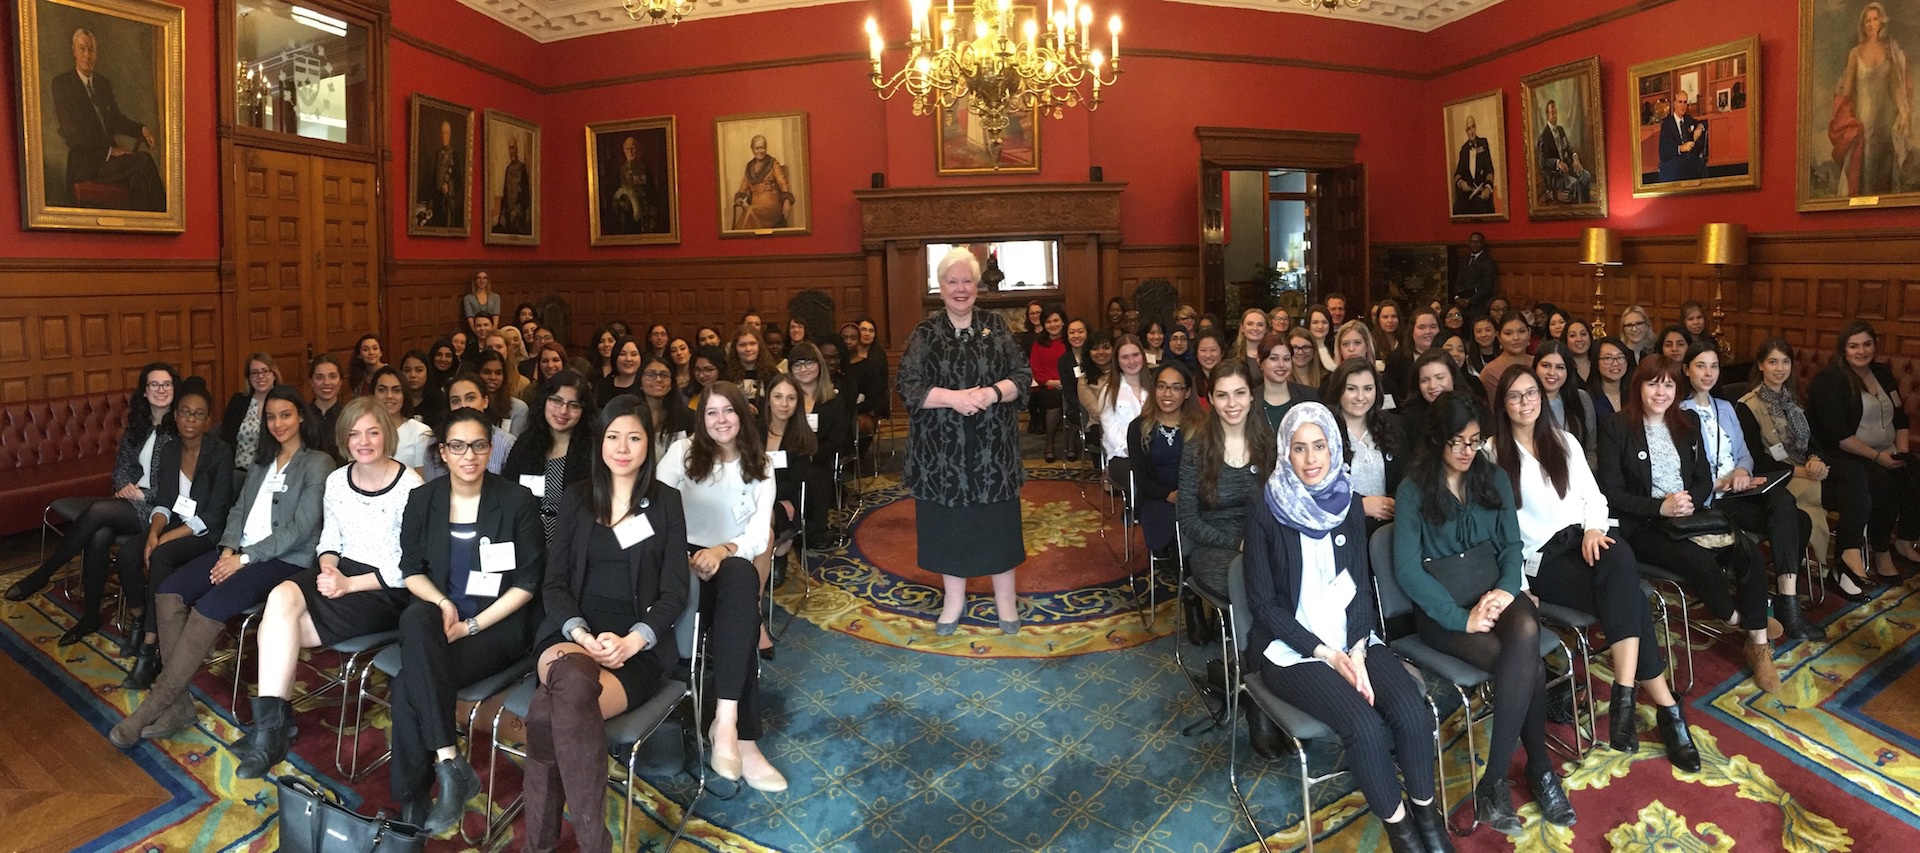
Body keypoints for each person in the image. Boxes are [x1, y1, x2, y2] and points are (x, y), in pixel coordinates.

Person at [1248, 403, 1449, 853]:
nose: (1311, 458)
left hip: (1353, 638)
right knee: (1365, 727)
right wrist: (1327, 654)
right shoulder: (1265, 506)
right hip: (1293, 650)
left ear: (1333, 447)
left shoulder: (1347, 500)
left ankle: (1426, 818)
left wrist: (1356, 649)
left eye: (1319, 446)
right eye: (1299, 449)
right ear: (1285, 452)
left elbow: (1360, 585)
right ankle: (1402, 833)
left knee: (1412, 712)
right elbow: (1264, 606)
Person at [1487, 368, 1698, 772]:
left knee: (1617, 554)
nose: (1525, 402)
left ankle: (1624, 693)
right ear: (1503, 405)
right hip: (1542, 561)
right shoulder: (1492, 454)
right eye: (1514, 397)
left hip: (1584, 542)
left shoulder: (1563, 441)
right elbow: (1497, 531)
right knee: (1631, 599)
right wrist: (1515, 584)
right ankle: (1665, 709)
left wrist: (1594, 529)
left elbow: (1594, 498)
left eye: (1531, 393)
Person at [109, 386, 332, 750]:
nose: (278, 423)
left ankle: (153, 706)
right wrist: (228, 548)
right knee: (168, 591)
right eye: (271, 416)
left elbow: (300, 529)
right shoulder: (262, 461)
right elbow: (238, 511)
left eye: (286, 415)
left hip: (281, 561)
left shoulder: (317, 463)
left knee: (208, 607)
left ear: (301, 417)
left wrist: (242, 559)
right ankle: (179, 706)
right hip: (237, 552)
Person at [1392, 391, 1571, 834]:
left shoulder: (1489, 475)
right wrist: (1460, 618)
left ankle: (1492, 780)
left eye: (1474, 441)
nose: (1466, 452)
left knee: (1526, 627)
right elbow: (1407, 570)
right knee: (1525, 668)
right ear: (1436, 439)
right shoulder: (1414, 487)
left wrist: (1506, 591)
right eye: (1457, 442)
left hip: (1491, 589)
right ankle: (1539, 769)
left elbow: (1512, 545)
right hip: (1442, 609)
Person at [522, 395, 692, 851]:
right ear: (599, 442)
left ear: (648, 445)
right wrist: (579, 631)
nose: (622, 447)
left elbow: (675, 592)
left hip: (637, 650)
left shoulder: (666, 503)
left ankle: (540, 845)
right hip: (570, 637)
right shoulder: (576, 498)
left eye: (634, 437)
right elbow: (553, 583)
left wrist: (634, 641)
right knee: (573, 681)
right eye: (613, 436)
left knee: (546, 712)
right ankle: (596, 842)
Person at [232, 397, 424, 779]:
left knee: (278, 629)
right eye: (354, 434)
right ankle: (273, 728)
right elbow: (330, 537)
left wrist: (349, 583)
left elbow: (410, 566)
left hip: (384, 588)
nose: (364, 441)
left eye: (372, 432)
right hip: (340, 570)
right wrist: (328, 568)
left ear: (386, 434)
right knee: (280, 597)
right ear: (344, 439)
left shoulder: (411, 487)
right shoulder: (338, 480)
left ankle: (273, 729)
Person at [386, 409, 544, 833]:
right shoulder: (424, 499)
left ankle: (413, 802)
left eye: (477, 445)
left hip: (496, 627)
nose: (468, 455)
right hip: (440, 618)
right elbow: (410, 569)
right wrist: (443, 603)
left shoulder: (516, 501)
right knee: (419, 619)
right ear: (443, 452)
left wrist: (471, 626)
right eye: (457, 446)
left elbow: (527, 582)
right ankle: (449, 763)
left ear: (490, 450)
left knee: (408, 685)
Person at [1596, 357, 1781, 692]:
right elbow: (1611, 492)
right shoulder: (1616, 426)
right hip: (1643, 524)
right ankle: (1744, 623)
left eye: (1668, 384)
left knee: (1748, 552)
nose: (1661, 392)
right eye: (1653, 383)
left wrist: (1689, 501)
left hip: (1690, 516)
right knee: (1698, 561)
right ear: (1638, 386)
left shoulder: (1688, 421)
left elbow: (1702, 478)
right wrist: (1661, 506)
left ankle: (1758, 644)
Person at [656, 383, 786, 790]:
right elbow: (657, 509)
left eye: (728, 411)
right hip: (680, 558)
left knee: (742, 581)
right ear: (701, 419)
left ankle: (725, 721)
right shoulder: (682, 453)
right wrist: (684, 555)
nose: (721, 420)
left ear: (743, 415)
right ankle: (743, 739)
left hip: (729, 557)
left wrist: (723, 549)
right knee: (743, 619)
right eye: (711, 413)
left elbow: (759, 535)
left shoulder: (760, 463)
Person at [896, 247, 1031, 635]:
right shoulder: (926, 332)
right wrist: (953, 398)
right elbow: (908, 385)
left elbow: (1022, 375)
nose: (960, 289)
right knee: (949, 528)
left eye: (966, 281)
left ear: (976, 286)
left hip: (994, 451)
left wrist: (991, 393)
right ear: (940, 287)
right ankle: (953, 602)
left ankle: (1006, 601)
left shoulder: (996, 325)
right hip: (941, 454)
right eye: (952, 281)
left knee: (997, 526)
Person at [6, 364, 178, 626]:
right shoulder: (138, 426)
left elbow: (179, 482)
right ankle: (91, 616)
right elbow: (121, 466)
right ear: (145, 392)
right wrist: (123, 486)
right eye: (154, 385)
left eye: (166, 384)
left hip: (159, 508)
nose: (161, 390)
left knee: (99, 512)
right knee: (99, 534)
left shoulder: (180, 427)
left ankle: (44, 573)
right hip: (129, 500)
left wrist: (144, 495)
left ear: (175, 389)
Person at [1680, 342, 1821, 640]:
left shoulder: (1726, 407)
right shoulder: (1679, 412)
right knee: (1799, 520)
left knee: (1787, 504)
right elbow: (1682, 471)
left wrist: (1743, 472)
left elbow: (1745, 454)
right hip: (1713, 498)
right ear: (1686, 370)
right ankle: (1789, 608)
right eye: (1700, 366)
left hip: (1742, 489)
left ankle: (1787, 600)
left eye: (1714, 366)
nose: (1708, 373)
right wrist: (1722, 483)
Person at [116, 379, 233, 688]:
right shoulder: (169, 450)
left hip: (205, 533)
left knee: (161, 557)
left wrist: (162, 541)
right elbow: (165, 502)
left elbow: (214, 514)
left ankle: (150, 649)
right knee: (129, 554)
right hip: (173, 523)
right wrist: (154, 533)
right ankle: (141, 619)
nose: (190, 420)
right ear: (176, 416)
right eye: (185, 412)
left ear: (208, 419)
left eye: (198, 414)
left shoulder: (220, 452)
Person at [1808, 320, 1920, 593]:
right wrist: (1878, 457)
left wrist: (1902, 452)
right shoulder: (1830, 380)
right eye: (1854, 346)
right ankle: (1880, 550)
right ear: (1843, 349)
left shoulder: (1882, 372)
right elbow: (1838, 436)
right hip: (1848, 457)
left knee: (1915, 471)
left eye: (1867, 344)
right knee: (1884, 482)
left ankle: (1904, 540)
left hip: (1889, 451)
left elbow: (1901, 417)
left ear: (1874, 346)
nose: (1861, 351)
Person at [1737, 339, 1837, 601]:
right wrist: (1804, 472)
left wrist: (1814, 459)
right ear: (1760, 365)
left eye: (1785, 361)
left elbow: (1813, 443)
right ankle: (1812, 564)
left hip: (1804, 472)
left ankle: (1826, 563)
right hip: (1773, 478)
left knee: (1846, 482)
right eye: (1772, 362)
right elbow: (1755, 459)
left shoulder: (1794, 401)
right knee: (1820, 489)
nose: (1779, 368)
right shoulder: (1747, 405)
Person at [1178, 360, 1277, 600]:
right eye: (1222, 395)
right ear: (1210, 398)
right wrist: (1238, 544)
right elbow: (1189, 520)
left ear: (1251, 396)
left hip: (1264, 540)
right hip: (1216, 547)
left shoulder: (1268, 445)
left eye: (1239, 393)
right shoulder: (1196, 450)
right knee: (1252, 582)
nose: (1232, 404)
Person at [50, 28, 164, 210]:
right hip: (87, 164)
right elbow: (73, 134)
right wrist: (109, 151)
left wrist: (142, 129)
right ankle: (163, 217)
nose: (87, 55)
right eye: (82, 49)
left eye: (91, 50)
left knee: (139, 180)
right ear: (73, 50)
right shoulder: (62, 85)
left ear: (97, 53)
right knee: (143, 161)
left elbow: (116, 120)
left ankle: (144, 231)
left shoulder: (102, 83)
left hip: (110, 165)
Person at [502, 371, 597, 543]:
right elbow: (508, 491)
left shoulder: (593, 450)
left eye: (573, 405)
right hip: (526, 538)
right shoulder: (527, 443)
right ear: (545, 401)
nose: (563, 411)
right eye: (556, 400)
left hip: (573, 541)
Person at [1830, 2, 1913, 197]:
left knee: (1885, 175)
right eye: (1867, 20)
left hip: (1885, 124)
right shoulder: (1855, 53)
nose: (1871, 24)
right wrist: (1842, 112)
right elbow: (1847, 91)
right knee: (1864, 173)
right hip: (1864, 124)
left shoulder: (1889, 51)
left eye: (1875, 19)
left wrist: (1903, 112)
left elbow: (1895, 87)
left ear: (1881, 22)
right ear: (1862, 25)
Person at [1125, 362, 1201, 560]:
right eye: (1162, 386)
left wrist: (1186, 495)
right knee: (1168, 521)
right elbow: (1141, 478)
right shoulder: (1138, 427)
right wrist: (1169, 495)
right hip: (1156, 497)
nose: (1168, 394)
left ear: (1186, 393)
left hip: (1192, 495)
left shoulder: (1200, 425)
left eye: (1176, 388)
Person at [1326, 360, 1405, 535]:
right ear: (1339, 390)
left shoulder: (1393, 426)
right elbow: (1320, 488)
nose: (1360, 397)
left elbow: (1406, 475)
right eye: (1351, 389)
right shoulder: (1324, 432)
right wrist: (1359, 505)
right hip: (1343, 530)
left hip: (1389, 528)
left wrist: (1394, 501)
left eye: (1368, 389)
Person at [435, 373, 516, 476]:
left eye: (470, 398)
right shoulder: (434, 443)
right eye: (455, 401)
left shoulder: (506, 443)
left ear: (485, 401)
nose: (463, 405)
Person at [1096, 335, 1151, 487]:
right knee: (1143, 480)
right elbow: (1112, 433)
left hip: (1153, 454)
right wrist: (1135, 452)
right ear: (1118, 362)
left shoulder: (1155, 388)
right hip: (1122, 456)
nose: (1132, 361)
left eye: (1135, 355)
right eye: (1125, 357)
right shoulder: (1109, 392)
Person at [1533, 341, 1596, 453]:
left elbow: (1591, 449)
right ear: (1535, 367)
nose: (1552, 373)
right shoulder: (1526, 401)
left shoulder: (1582, 399)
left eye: (1560, 367)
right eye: (1545, 366)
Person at [371, 366, 437, 472]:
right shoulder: (362, 431)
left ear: (404, 395)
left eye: (396, 390)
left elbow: (422, 482)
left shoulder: (420, 432)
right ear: (373, 394)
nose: (389, 396)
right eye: (382, 390)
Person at [221, 354, 279, 474]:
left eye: (265, 371)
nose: (260, 376)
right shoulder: (238, 401)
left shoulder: (285, 402)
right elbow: (226, 439)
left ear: (274, 374)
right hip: (240, 471)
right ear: (248, 378)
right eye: (254, 373)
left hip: (273, 472)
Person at [1536, 99, 1594, 204]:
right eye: (1552, 112)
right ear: (1547, 115)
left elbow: (1568, 146)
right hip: (1556, 177)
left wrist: (1575, 156)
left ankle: (1588, 206)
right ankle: (1582, 211)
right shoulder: (1543, 137)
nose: (1555, 115)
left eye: (1555, 112)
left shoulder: (1560, 130)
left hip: (1568, 169)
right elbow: (1542, 163)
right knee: (1575, 183)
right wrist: (1557, 163)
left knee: (1586, 176)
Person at [731, 135, 794, 229]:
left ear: (766, 148)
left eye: (762, 148)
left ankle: (738, 240)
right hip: (754, 206)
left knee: (750, 211)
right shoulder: (749, 167)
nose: (760, 151)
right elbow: (742, 190)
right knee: (750, 211)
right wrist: (740, 200)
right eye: (757, 148)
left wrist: (786, 201)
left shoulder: (773, 163)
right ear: (752, 150)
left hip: (772, 207)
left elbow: (782, 183)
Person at [1029, 307, 1068, 461]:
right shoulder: (1039, 344)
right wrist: (1050, 381)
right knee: (1054, 398)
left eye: (1056, 320)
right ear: (1044, 325)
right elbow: (1035, 368)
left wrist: (1066, 382)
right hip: (1047, 386)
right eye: (1048, 322)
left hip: (1071, 384)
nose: (1053, 325)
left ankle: (1071, 444)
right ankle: (1049, 443)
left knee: (1071, 399)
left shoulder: (1071, 340)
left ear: (1063, 322)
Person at [846, 316, 891, 449]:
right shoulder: (846, 355)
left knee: (861, 423)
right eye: (863, 329)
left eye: (871, 331)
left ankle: (858, 455)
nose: (867, 333)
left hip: (874, 399)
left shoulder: (878, 356)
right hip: (850, 398)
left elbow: (880, 386)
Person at [1258, 336, 1319, 428]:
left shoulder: (1309, 396)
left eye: (1286, 359)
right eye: (1274, 359)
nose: (1281, 365)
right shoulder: (1251, 400)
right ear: (1260, 362)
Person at [1058, 320, 1094, 460]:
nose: (1076, 336)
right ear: (1067, 336)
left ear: (1087, 333)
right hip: (1077, 406)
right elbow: (1068, 392)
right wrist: (1085, 406)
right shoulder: (1064, 361)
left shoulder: (1095, 355)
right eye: (1072, 332)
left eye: (1080, 331)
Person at [1480, 314, 1534, 400]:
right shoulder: (1490, 373)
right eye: (1508, 333)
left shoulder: (1538, 363)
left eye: (1521, 332)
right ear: (1499, 337)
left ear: (1529, 333)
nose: (1516, 338)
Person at [1658, 94, 1710, 182]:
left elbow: (1704, 123)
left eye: (1685, 102)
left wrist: (1699, 127)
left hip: (1691, 161)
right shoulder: (1666, 125)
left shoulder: (1688, 119)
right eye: (1680, 102)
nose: (1683, 106)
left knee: (1701, 165)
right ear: (1674, 104)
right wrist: (1681, 148)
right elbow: (1663, 153)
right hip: (1675, 161)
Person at [1453, 116, 1497, 215]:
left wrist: (1487, 188)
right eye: (1469, 129)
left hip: (1483, 196)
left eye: (1473, 127)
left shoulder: (1483, 143)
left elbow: (1489, 170)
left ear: (1475, 127)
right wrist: (1461, 183)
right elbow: (1457, 174)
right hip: (1469, 200)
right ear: (1466, 131)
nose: (1472, 131)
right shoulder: (1464, 150)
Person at [309, 354, 348, 461]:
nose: (326, 382)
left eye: (332, 376)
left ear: (340, 381)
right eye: (319, 377)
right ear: (311, 382)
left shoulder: (349, 417)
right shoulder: (301, 416)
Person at [425, 120, 463, 228]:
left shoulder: (455, 155)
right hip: (437, 200)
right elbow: (434, 177)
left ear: (450, 135)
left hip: (448, 202)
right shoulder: (438, 154)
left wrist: (449, 187)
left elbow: (459, 180)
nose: (443, 136)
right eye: (442, 133)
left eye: (446, 133)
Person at [493, 135, 532, 235]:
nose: (511, 151)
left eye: (513, 147)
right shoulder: (508, 169)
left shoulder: (522, 168)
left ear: (517, 149)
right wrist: (502, 214)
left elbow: (526, 196)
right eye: (509, 148)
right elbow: (505, 195)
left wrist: (517, 211)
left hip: (519, 216)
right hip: (508, 214)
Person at [1590, 336, 1636, 420]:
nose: (1615, 363)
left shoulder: (1635, 394)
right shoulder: (1588, 398)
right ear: (1596, 364)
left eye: (1620, 357)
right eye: (1608, 358)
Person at [597, 336, 644, 408]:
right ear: (615, 357)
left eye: (634, 354)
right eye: (622, 354)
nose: (628, 359)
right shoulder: (604, 385)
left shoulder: (646, 384)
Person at [1288, 326, 1326, 391]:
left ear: (1314, 350)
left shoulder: (1328, 379)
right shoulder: (1280, 380)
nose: (1300, 352)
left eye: (1306, 347)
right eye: (1294, 347)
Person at [1563, 319, 1596, 387]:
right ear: (1566, 340)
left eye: (1583, 334)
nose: (1579, 339)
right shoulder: (1562, 367)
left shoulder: (1599, 364)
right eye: (1573, 335)